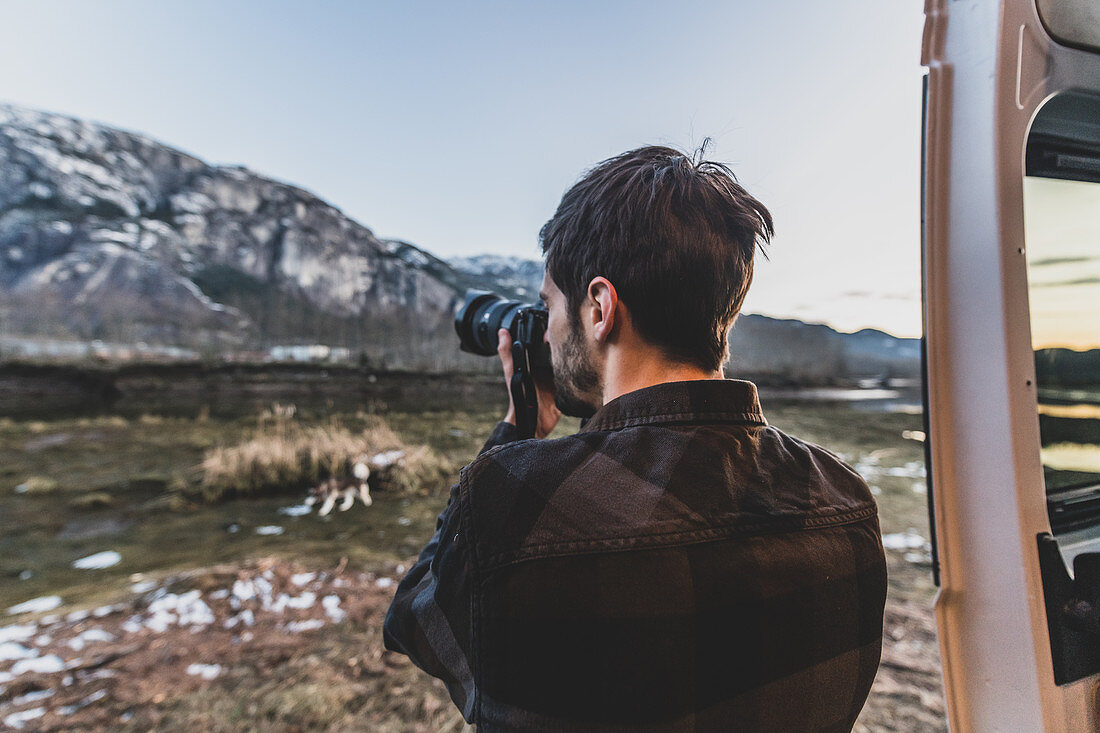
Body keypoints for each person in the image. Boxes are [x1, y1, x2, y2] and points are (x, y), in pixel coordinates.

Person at [383, 145, 887, 732]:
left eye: (550, 307)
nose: (546, 334)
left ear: (599, 308)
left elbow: (413, 619)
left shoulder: (510, 504)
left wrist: (518, 431)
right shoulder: (844, 503)